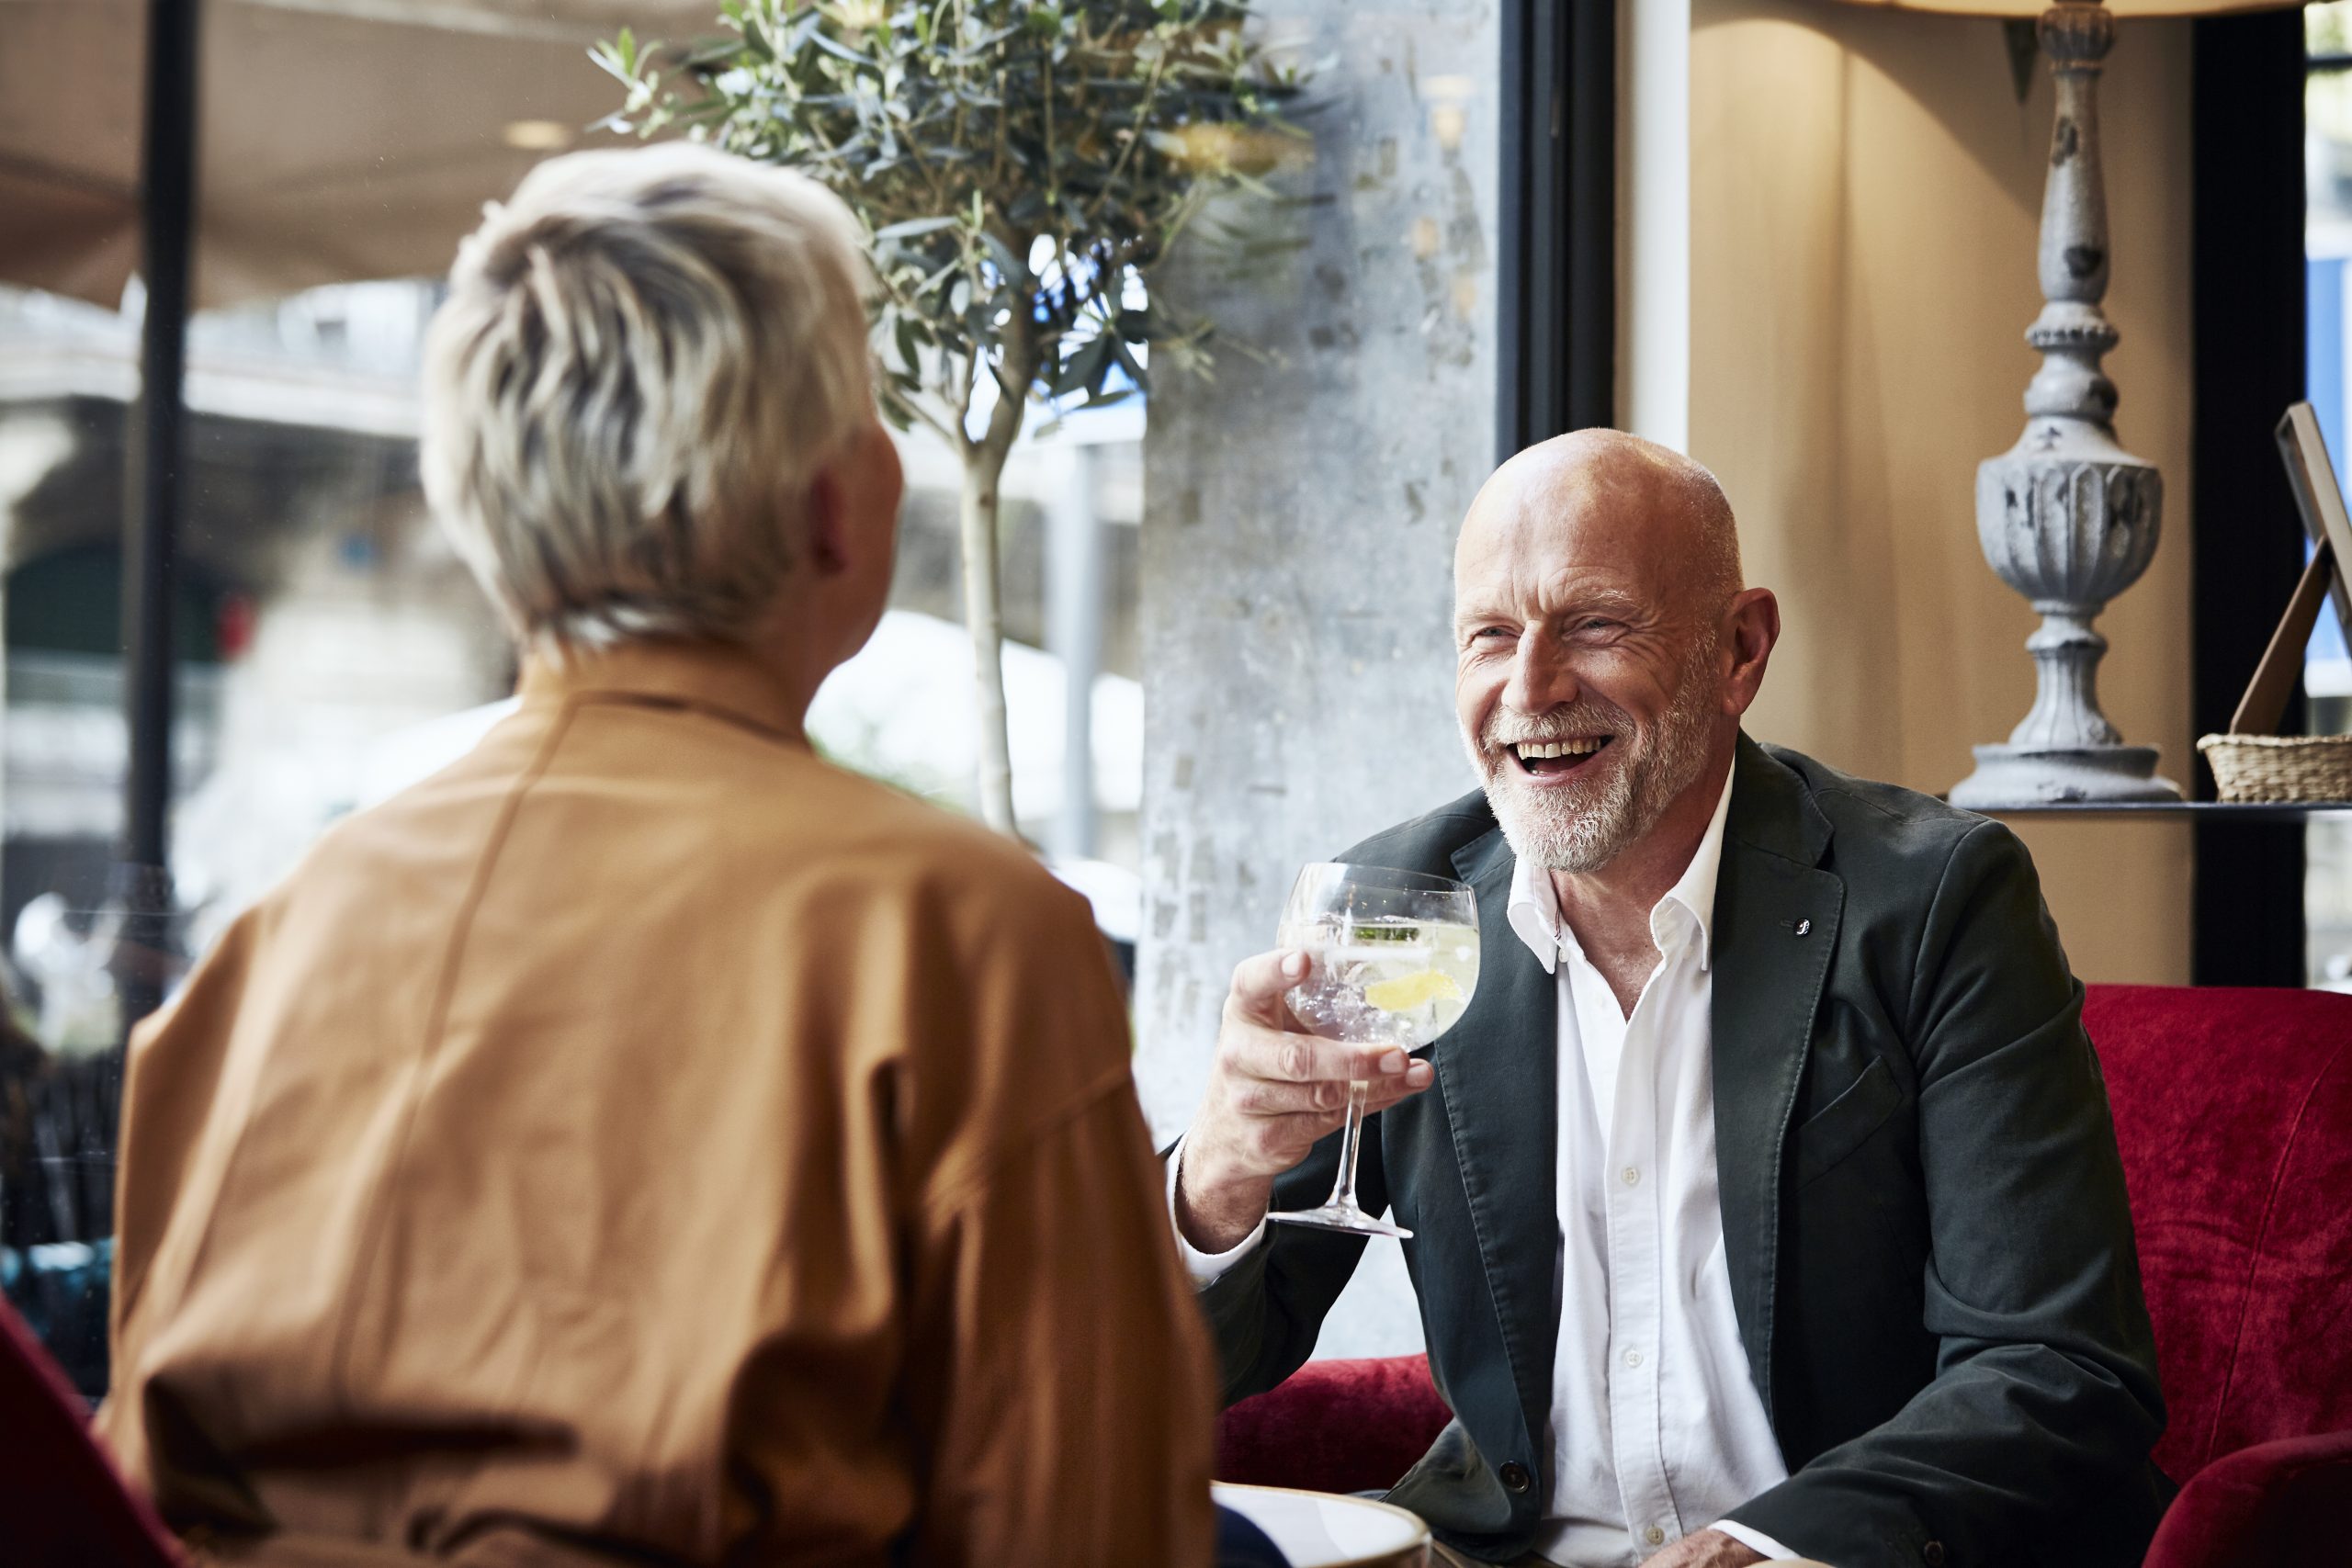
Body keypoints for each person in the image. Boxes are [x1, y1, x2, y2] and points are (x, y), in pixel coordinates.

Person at [96, 143, 1216, 1568]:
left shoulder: (274, 939)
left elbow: (133, 1486)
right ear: (834, 501)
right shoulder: (962, 934)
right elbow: (1090, 1523)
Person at [1170, 431, 2170, 1568]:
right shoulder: (1405, 917)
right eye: (1489, 636)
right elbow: (1183, 1372)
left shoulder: (1936, 899)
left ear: (1739, 650)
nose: (1530, 688)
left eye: (1594, 624)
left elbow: (2059, 1365)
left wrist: (1760, 1547)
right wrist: (1216, 1182)